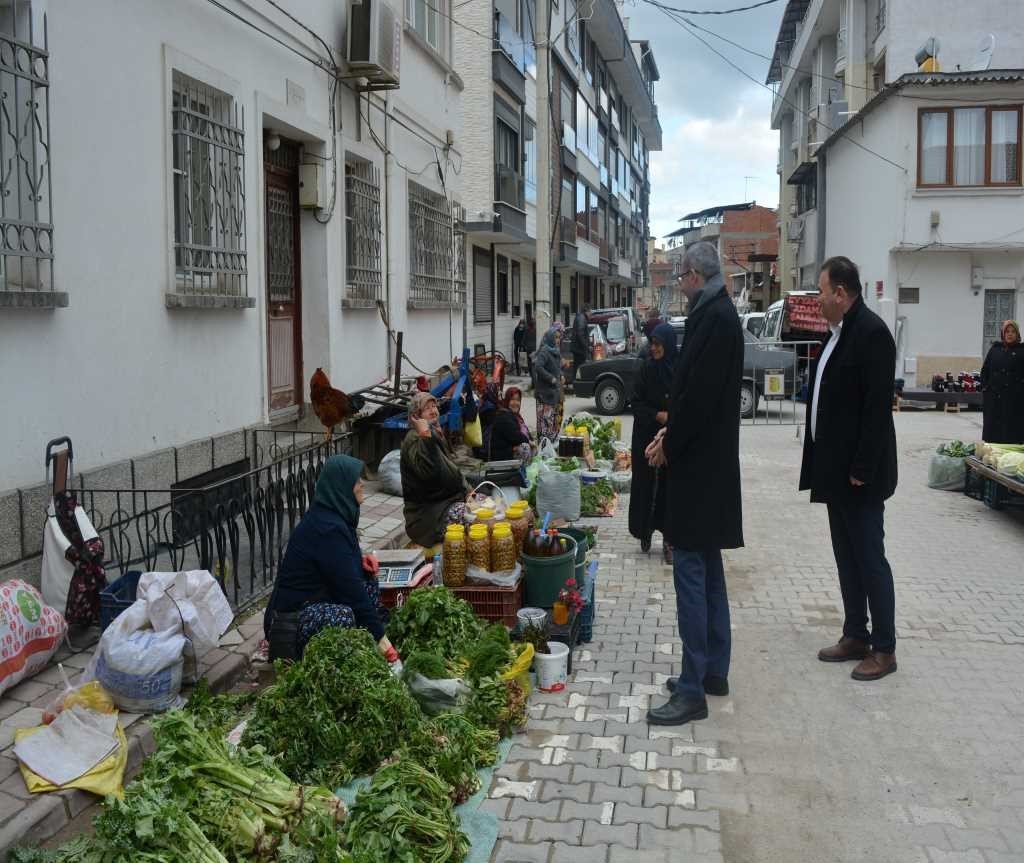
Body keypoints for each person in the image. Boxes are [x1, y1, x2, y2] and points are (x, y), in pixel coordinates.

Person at [644, 241, 743, 727]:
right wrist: (669, 429)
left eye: (681, 276)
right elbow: (690, 396)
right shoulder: (715, 314)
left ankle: (692, 689)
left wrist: (669, 443)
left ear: (696, 276)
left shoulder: (716, 319)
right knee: (708, 566)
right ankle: (711, 671)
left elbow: (699, 401)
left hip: (701, 471)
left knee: (692, 571)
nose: (678, 285)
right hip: (707, 467)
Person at [801, 256, 899, 683]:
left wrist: (861, 467)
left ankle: (885, 647)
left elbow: (876, 411)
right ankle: (855, 634)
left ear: (841, 293)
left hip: (861, 475)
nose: (817, 300)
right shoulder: (838, 334)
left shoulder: (872, 334)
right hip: (836, 472)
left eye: (821, 292)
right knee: (846, 558)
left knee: (869, 559)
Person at [263, 454, 391, 657]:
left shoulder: (335, 516)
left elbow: (337, 567)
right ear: (341, 486)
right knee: (343, 616)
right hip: (288, 623)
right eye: (356, 481)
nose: (361, 484)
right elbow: (350, 591)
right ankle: (349, 651)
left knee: (369, 582)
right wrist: (382, 640)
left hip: (315, 601)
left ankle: (367, 638)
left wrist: (358, 562)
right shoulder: (327, 529)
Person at [629, 323, 677, 561]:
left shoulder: (678, 370)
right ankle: (644, 530)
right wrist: (657, 415)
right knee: (646, 485)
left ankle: (670, 540)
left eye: (659, 344)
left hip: (670, 437)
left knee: (669, 489)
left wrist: (672, 420)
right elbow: (635, 402)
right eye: (653, 344)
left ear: (668, 345)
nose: (655, 348)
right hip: (646, 435)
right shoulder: (646, 370)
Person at [400, 391, 472, 548]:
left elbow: (451, 469)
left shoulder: (434, 434)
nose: (433, 411)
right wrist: (425, 435)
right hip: (426, 516)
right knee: (475, 518)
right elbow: (429, 474)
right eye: (427, 409)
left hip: (444, 504)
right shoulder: (415, 439)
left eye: (434, 406)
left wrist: (468, 490)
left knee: (486, 505)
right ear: (416, 417)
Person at [981, 320, 1024, 444]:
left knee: (1012, 432)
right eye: (1007, 332)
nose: (1010, 334)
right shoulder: (995, 349)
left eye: (1013, 332)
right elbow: (985, 370)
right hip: (994, 398)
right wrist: (986, 388)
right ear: (1003, 334)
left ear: (1017, 334)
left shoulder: (1022, 351)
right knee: (993, 432)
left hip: (1015, 400)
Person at [533, 323, 565, 444]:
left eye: (559, 337)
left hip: (553, 394)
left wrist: (561, 375)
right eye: (556, 337)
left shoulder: (556, 351)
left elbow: (557, 367)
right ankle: (543, 449)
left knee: (552, 422)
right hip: (544, 394)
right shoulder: (545, 351)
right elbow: (538, 367)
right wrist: (551, 378)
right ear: (550, 338)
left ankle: (550, 447)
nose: (558, 340)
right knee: (544, 425)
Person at [485, 387, 533, 462]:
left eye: (518, 400)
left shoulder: (514, 416)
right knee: (525, 448)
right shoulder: (503, 416)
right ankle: (522, 471)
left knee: (531, 448)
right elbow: (516, 437)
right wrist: (529, 442)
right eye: (512, 399)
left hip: (508, 450)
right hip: (500, 456)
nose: (516, 403)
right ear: (507, 400)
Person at [570, 304, 591, 386]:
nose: (591, 314)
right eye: (590, 312)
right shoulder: (582, 318)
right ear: (587, 311)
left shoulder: (580, 317)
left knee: (577, 366)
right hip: (579, 348)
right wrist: (586, 346)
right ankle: (577, 384)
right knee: (580, 366)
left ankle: (576, 383)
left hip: (577, 347)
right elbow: (580, 334)